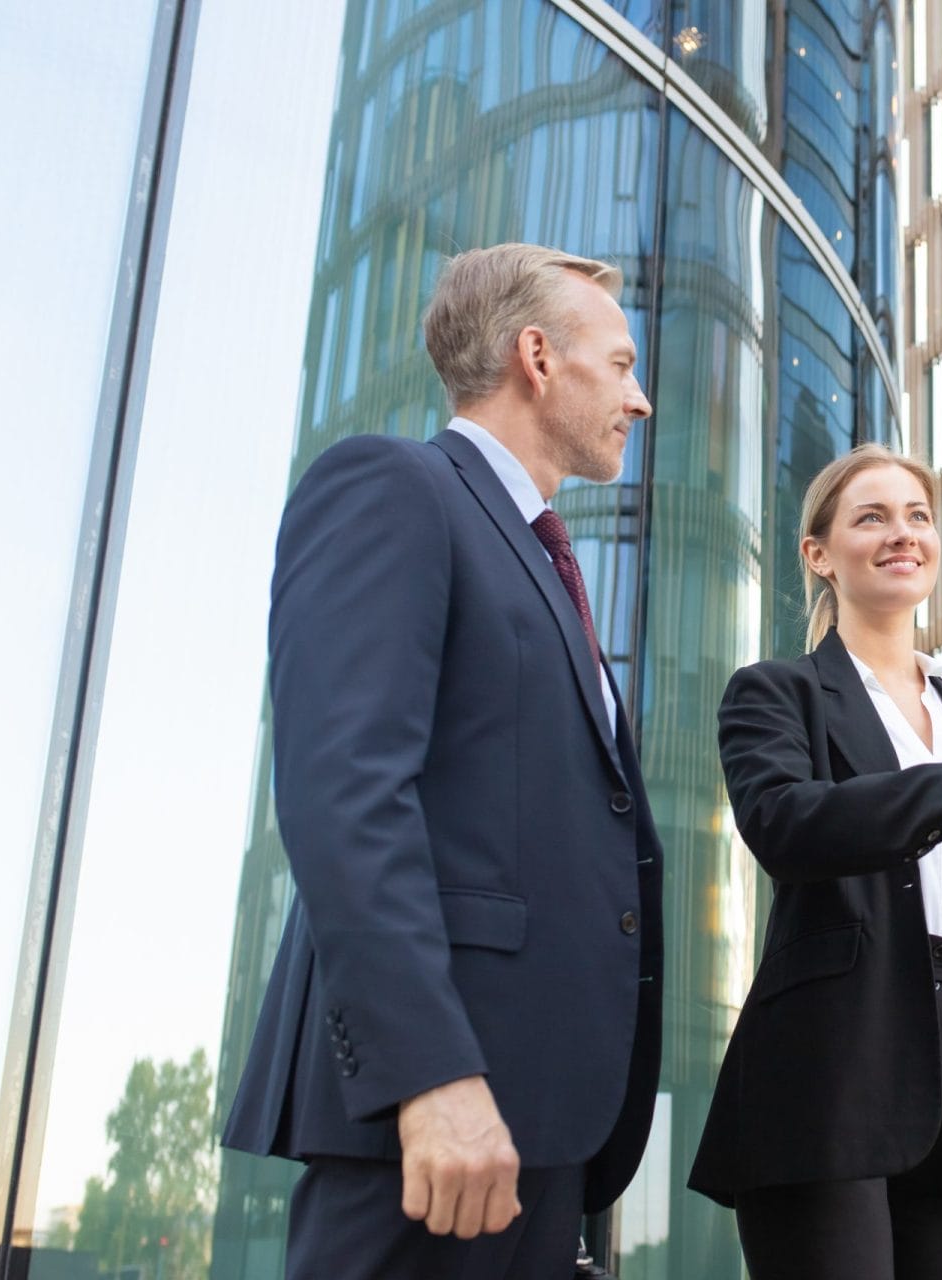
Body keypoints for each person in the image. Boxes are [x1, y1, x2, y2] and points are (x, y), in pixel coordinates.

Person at [222, 243, 666, 1278]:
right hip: (431, 1117)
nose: (639, 399)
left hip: (540, 1119)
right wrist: (431, 1073)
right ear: (537, 356)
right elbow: (344, 794)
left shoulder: (551, 565)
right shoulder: (396, 488)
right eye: (621, 362)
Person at [688, 444, 942, 1279]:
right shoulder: (775, 692)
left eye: (917, 516)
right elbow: (784, 822)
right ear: (817, 554)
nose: (903, 534)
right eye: (872, 517)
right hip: (829, 1081)